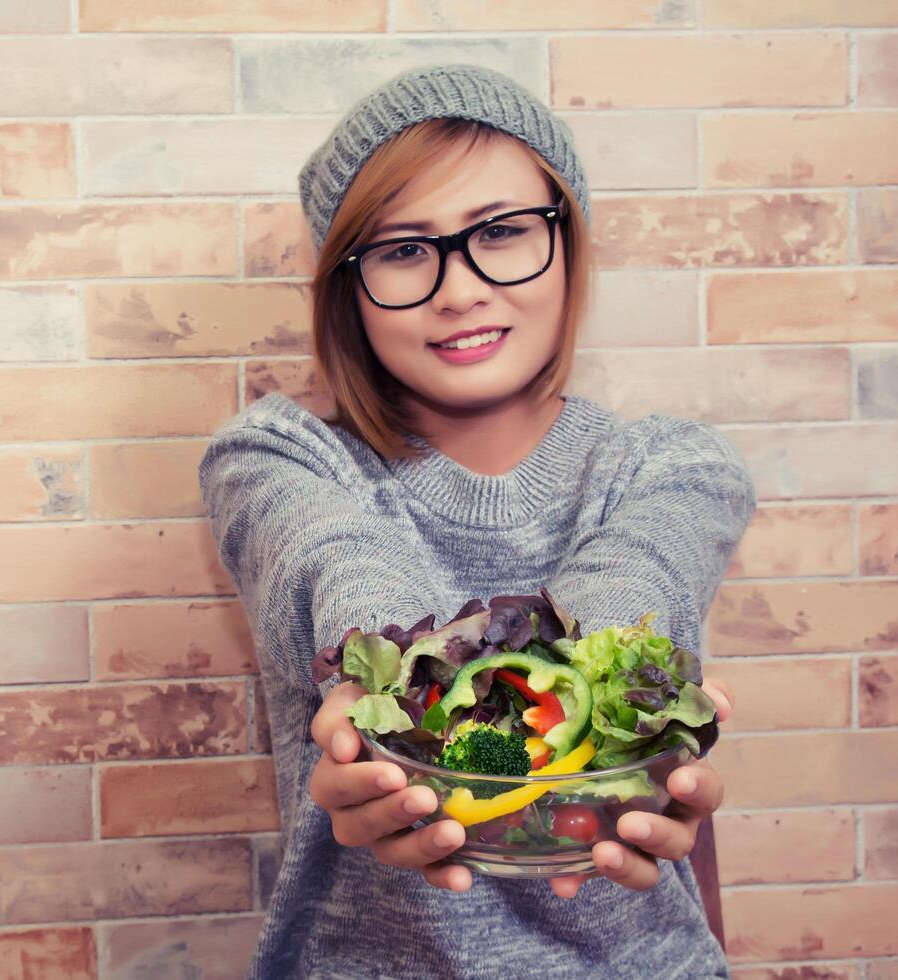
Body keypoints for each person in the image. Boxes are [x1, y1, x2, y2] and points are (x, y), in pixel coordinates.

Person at [198, 63, 756, 978]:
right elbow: (336, 561)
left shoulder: (673, 468)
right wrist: (380, 677)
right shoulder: (276, 460)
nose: (458, 290)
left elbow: (634, 578)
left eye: (499, 232)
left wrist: (625, 707)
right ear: (347, 286)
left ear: (567, 244)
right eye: (403, 249)